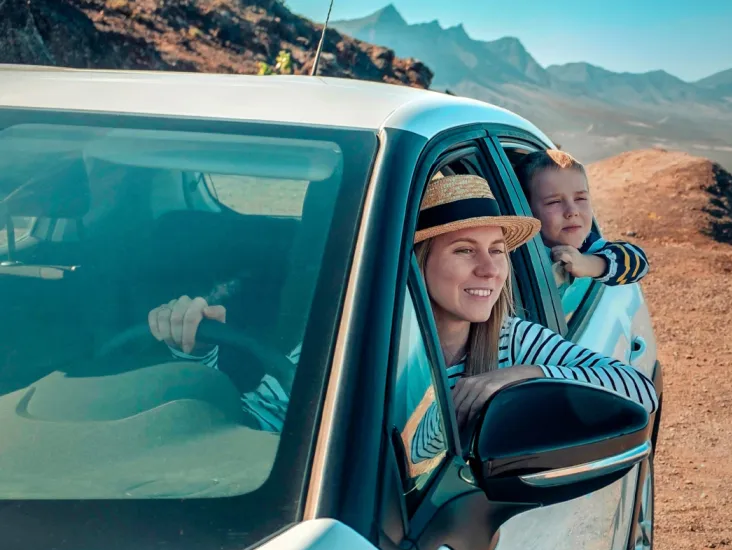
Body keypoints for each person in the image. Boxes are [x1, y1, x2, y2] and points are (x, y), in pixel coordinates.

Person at [147, 175, 658, 450]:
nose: (489, 269)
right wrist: (196, 357)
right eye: (463, 250)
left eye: (497, 250)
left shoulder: (512, 340)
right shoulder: (356, 341)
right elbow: (257, 428)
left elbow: (641, 390)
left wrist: (520, 377)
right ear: (419, 263)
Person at [515, 149, 649, 296]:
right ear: (526, 209)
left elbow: (639, 263)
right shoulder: (515, 251)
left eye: (580, 199)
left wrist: (589, 264)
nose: (572, 211)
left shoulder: (586, 245)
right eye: (554, 202)